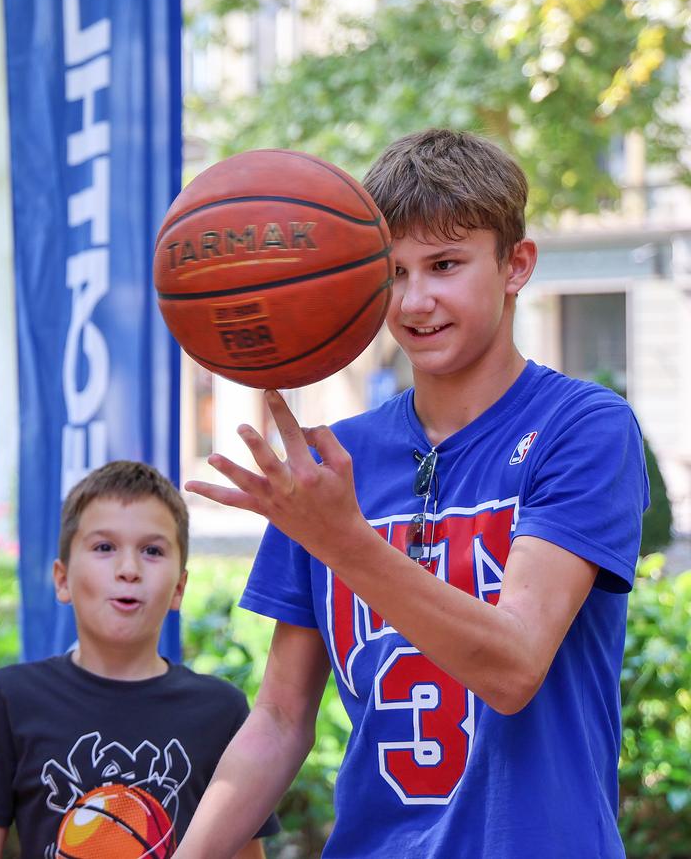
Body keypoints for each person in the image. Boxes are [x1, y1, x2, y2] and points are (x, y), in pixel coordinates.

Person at [175, 129, 647, 858]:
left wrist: (342, 540)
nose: (415, 300)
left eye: (446, 264)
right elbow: (279, 718)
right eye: (392, 272)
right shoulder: (337, 461)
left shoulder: (582, 427)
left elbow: (514, 666)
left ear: (516, 265)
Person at [0, 460, 278, 859]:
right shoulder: (10, 698)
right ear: (62, 580)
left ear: (179, 587)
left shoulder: (221, 710)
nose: (128, 569)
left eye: (152, 550)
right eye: (104, 547)